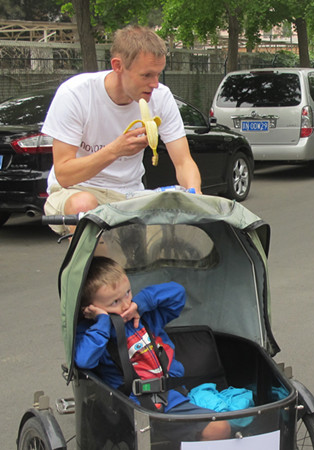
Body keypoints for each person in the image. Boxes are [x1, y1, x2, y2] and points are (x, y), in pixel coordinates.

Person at [43, 25, 202, 235]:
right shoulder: (76, 94)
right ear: (118, 66)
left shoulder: (161, 97)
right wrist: (114, 150)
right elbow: (64, 174)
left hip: (130, 194)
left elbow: (183, 162)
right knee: (85, 206)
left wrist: (196, 195)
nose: (155, 84)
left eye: (158, 74)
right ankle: (97, 266)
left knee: (163, 238)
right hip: (77, 190)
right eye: (146, 75)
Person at [75, 256, 230, 441]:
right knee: (220, 428)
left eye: (127, 293)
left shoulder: (144, 318)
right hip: (131, 407)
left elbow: (177, 294)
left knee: (226, 426)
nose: (125, 305)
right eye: (114, 303)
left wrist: (140, 304)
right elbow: (84, 360)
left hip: (169, 397)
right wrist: (101, 321)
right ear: (90, 309)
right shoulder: (92, 334)